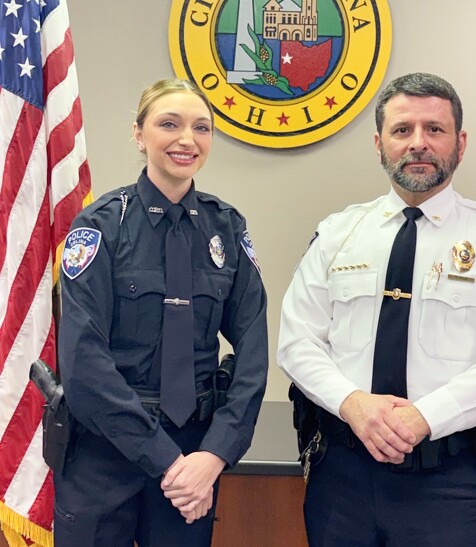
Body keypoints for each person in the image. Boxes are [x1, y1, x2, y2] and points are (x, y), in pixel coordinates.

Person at [277, 73, 476, 546]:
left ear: (460, 144)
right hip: (343, 479)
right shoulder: (338, 234)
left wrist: (425, 416)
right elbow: (297, 341)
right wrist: (353, 403)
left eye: (434, 129)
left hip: (455, 483)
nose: (418, 143)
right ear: (379, 144)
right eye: (402, 130)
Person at [55, 78, 268, 546]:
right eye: (169, 124)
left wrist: (215, 455)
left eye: (201, 127)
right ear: (139, 134)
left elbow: (253, 356)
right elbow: (83, 363)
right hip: (105, 453)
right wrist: (167, 461)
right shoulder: (99, 227)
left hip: (194, 455)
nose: (187, 139)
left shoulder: (227, 228)